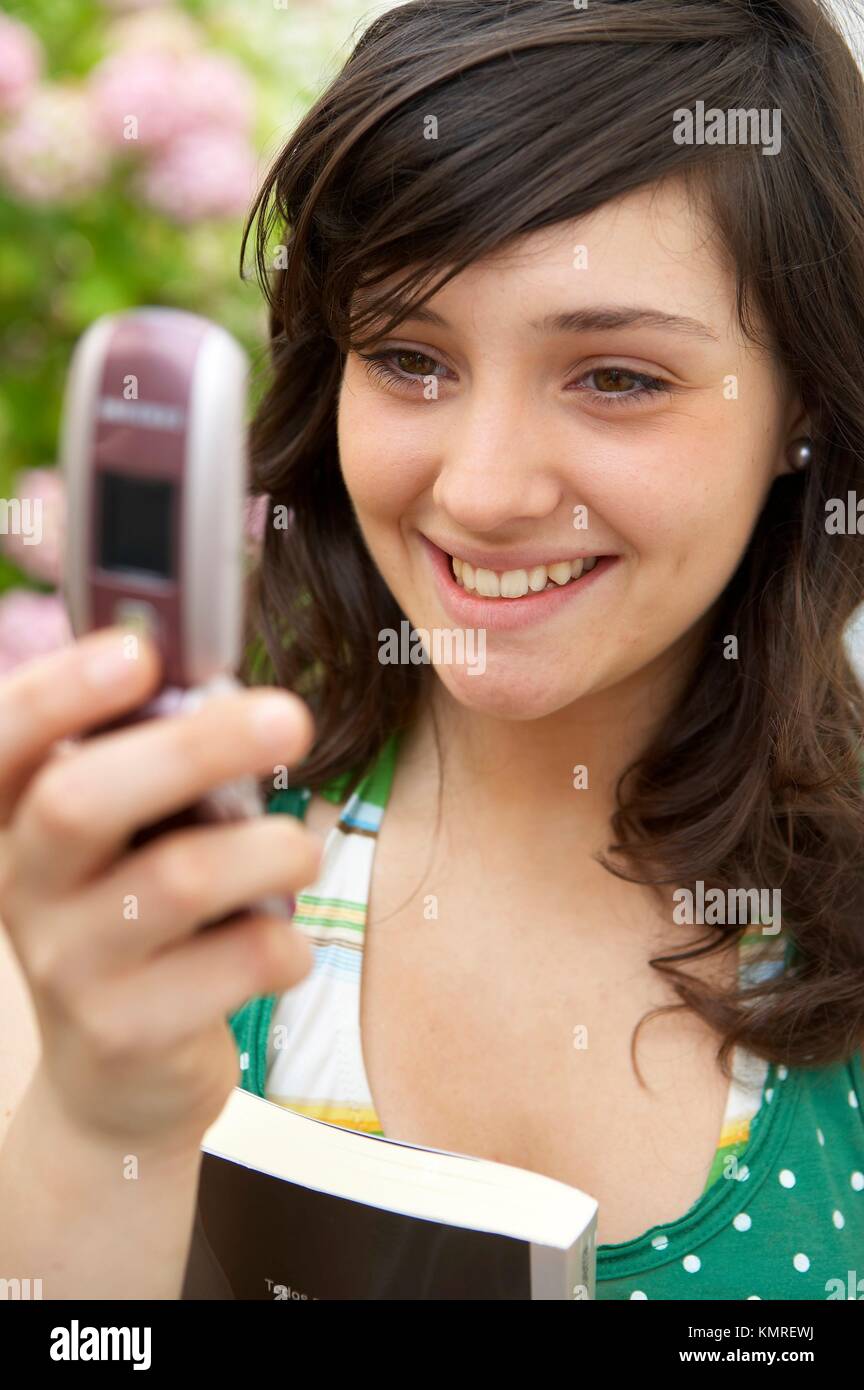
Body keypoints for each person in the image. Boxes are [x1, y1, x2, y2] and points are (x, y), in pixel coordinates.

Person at [1, 0, 862, 1301]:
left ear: (800, 399)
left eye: (617, 377)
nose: (484, 488)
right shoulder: (149, 888)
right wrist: (102, 1117)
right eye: (408, 357)